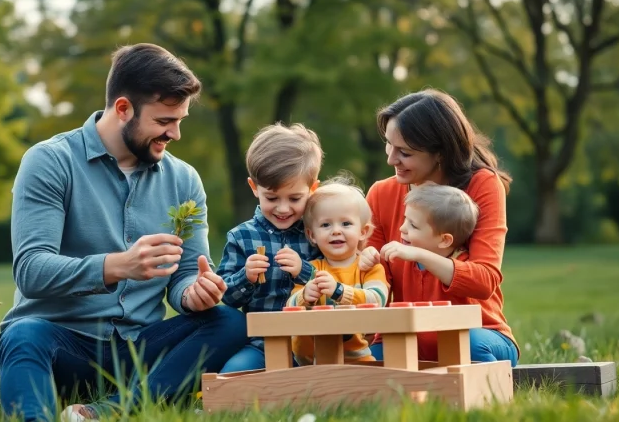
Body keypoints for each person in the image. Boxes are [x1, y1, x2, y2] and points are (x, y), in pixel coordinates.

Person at [0, 43, 247, 422]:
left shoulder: (184, 180)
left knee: (229, 321)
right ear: (124, 108)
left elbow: (185, 275)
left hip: (138, 351)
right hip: (62, 346)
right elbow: (31, 271)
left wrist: (193, 293)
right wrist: (117, 266)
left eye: (180, 120)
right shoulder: (49, 161)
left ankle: (108, 411)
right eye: (164, 121)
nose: (175, 133)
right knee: (23, 335)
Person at [359, 89, 519, 366]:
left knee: (468, 346)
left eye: (405, 152)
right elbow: (375, 284)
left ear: (440, 153)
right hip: (406, 336)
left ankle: (486, 386)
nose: (391, 160)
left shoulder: (482, 185)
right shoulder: (381, 194)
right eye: (389, 145)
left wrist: (420, 255)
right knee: (364, 364)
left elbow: (484, 281)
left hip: (477, 332)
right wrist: (362, 271)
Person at [218, 123, 324, 373]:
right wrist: (245, 277)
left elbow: (338, 280)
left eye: (295, 198)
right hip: (261, 344)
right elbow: (226, 297)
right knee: (232, 376)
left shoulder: (318, 233)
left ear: (313, 189)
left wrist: (304, 271)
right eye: (272, 198)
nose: (283, 208)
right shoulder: (241, 237)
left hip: (312, 345)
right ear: (254, 188)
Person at [286, 174, 389, 365]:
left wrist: (339, 291)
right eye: (326, 224)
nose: (336, 230)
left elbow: (378, 300)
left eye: (346, 223)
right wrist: (304, 296)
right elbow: (289, 308)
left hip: (358, 360)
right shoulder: (312, 270)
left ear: (363, 231)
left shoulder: (368, 268)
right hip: (312, 363)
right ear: (312, 235)